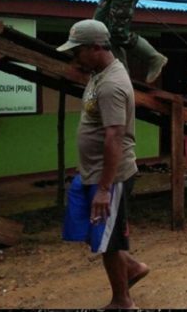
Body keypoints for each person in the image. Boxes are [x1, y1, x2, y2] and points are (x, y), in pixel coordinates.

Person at [57, 19, 149, 309]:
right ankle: (132, 268)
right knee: (95, 232)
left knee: (108, 242)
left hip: (110, 177)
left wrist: (104, 188)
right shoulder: (99, 73)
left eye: (78, 50)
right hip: (92, 171)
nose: (74, 57)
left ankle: (122, 301)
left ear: (96, 47)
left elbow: (115, 136)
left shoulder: (111, 84)